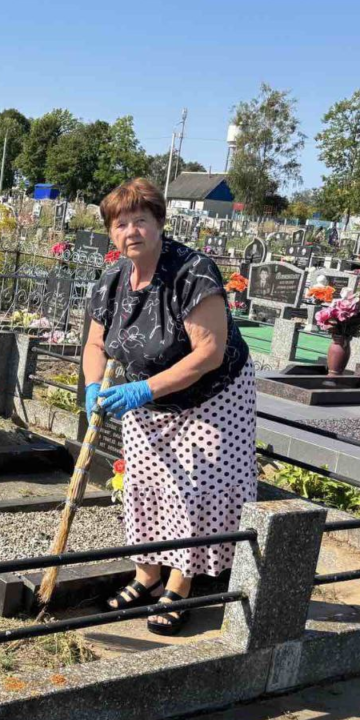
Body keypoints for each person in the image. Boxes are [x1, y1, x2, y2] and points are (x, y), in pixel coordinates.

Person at [83, 178, 255, 635]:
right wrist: (92, 385)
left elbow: (209, 353)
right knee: (143, 484)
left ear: (159, 223)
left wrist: (143, 390)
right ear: (111, 232)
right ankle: (147, 575)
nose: (131, 231)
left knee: (191, 490)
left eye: (140, 220)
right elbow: (95, 343)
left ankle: (181, 585)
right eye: (121, 224)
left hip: (210, 397)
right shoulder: (113, 279)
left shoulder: (192, 272)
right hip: (148, 399)